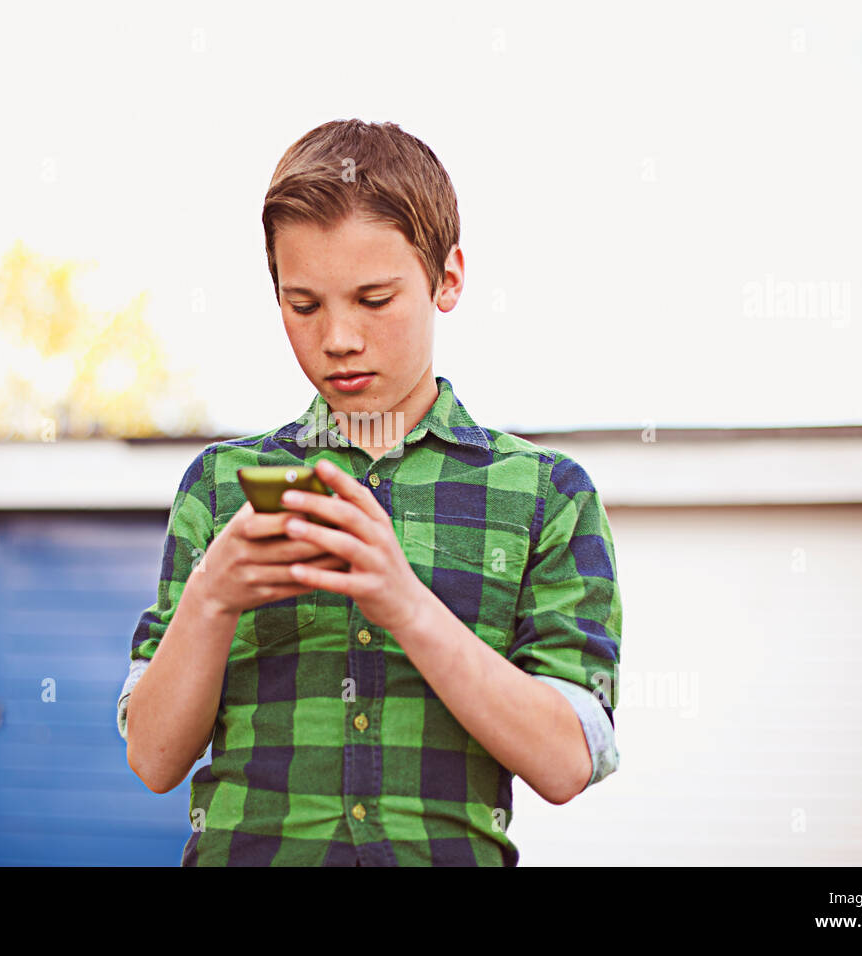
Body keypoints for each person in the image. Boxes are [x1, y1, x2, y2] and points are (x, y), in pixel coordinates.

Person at [118, 118, 621, 866]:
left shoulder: (548, 493)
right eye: (304, 304)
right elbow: (155, 761)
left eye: (374, 299)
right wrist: (211, 598)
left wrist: (403, 601)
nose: (339, 339)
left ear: (447, 279)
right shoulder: (219, 485)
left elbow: (567, 762)